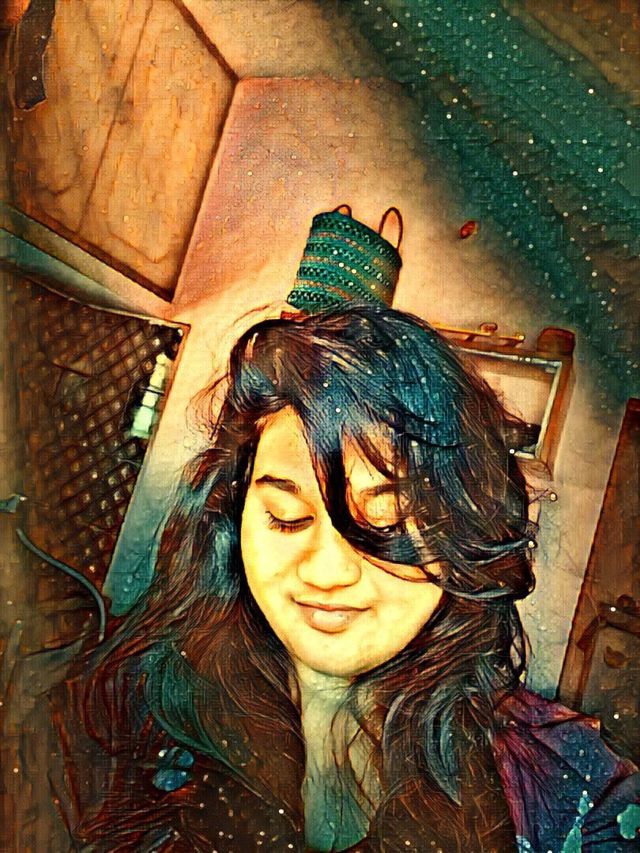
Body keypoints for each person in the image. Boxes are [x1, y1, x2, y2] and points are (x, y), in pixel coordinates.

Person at [54, 212, 639, 852]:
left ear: (461, 529)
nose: (327, 571)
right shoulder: (120, 712)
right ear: (233, 516)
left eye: (385, 522)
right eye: (286, 517)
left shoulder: (575, 790)